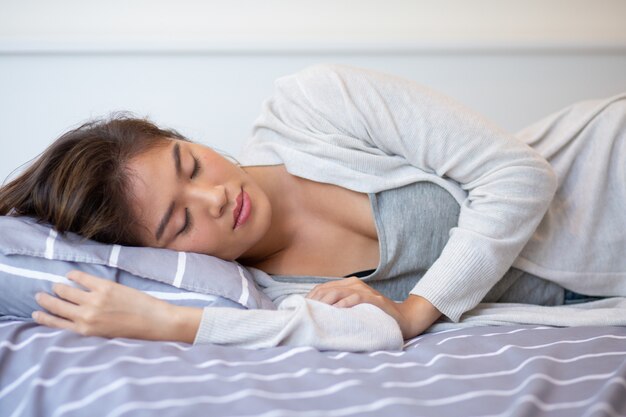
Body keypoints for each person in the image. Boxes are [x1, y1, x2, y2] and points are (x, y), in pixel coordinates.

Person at [1, 64, 625, 350]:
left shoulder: (314, 105)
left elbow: (516, 175)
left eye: (190, 163)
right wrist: (168, 323)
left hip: (604, 172)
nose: (215, 197)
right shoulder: (261, 289)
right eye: (180, 221)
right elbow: (349, 332)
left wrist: (417, 311)